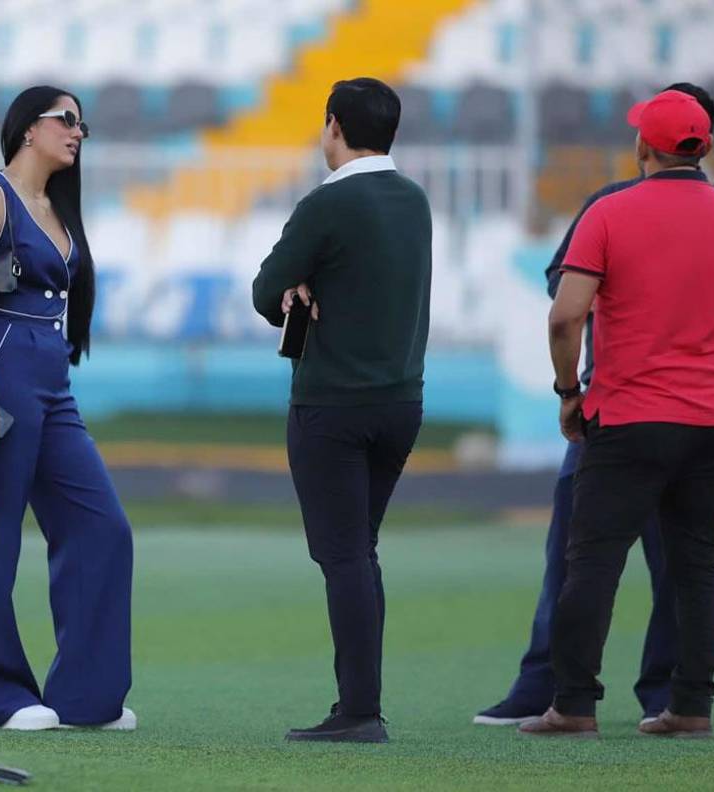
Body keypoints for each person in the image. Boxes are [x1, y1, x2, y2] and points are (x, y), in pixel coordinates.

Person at [475, 83, 714, 728]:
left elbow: (565, 314)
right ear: (705, 147)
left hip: (631, 415)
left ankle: (572, 703)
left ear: (642, 146)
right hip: (710, 423)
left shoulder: (612, 211)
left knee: (593, 563)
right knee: (697, 571)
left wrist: (569, 391)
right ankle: (689, 706)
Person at [0, 86, 134, 732]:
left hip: (50, 384)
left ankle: (86, 697)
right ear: (28, 128)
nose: (79, 132)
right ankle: (2, 698)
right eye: (67, 120)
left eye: (85, 124)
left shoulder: (56, 206)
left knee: (102, 528)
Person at [251, 77, 432, 744]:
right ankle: (361, 704)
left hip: (332, 405)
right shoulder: (415, 201)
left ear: (334, 127)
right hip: (402, 403)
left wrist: (296, 286)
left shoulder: (325, 204)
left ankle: (359, 711)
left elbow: (266, 291)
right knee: (361, 551)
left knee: (345, 557)